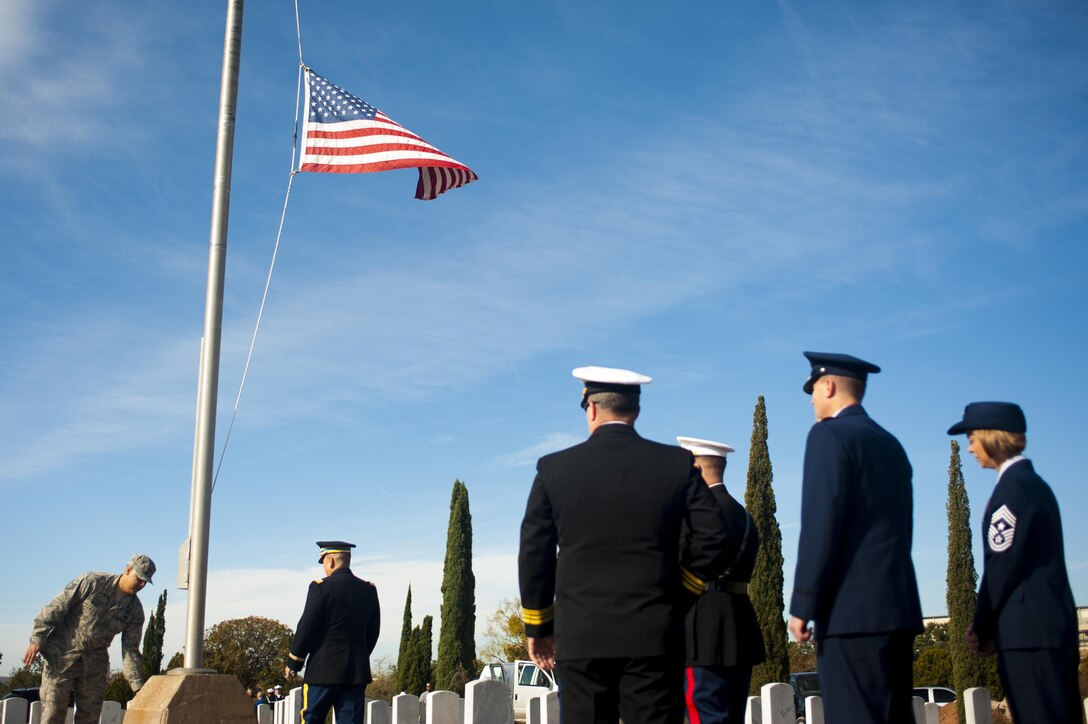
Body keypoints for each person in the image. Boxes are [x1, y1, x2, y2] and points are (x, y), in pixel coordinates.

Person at [518, 366, 732, 724]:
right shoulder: (676, 465)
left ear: (591, 408)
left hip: (582, 637)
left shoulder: (554, 469)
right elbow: (715, 536)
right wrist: (683, 591)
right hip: (654, 635)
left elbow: (534, 553)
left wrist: (539, 628)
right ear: (636, 410)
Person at [787, 352, 922, 724]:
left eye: (813, 389)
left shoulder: (828, 436)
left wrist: (803, 603)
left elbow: (821, 522)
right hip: (897, 609)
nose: (812, 399)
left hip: (851, 615)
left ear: (828, 385)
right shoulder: (891, 444)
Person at [947, 402, 1080, 723]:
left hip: (1028, 637)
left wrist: (980, 627)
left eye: (972, 437)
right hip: (1045, 632)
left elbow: (1001, 568)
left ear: (992, 437)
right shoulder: (1033, 486)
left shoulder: (1012, 491)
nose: (970, 447)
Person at [676, 436, 765, 724]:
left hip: (702, 629)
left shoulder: (695, 515)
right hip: (739, 625)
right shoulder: (744, 516)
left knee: (701, 714)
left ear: (696, 468)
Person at [23, 554, 155, 724]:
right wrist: (37, 638)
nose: (142, 584)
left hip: (94, 668)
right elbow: (57, 607)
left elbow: (130, 649)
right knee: (52, 715)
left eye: (146, 582)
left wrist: (137, 685)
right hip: (61, 658)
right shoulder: (92, 582)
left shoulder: (135, 612)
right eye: (139, 578)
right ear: (128, 570)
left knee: (89, 719)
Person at [284, 540, 380, 724]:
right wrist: (359, 655)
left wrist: (294, 661)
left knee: (312, 719)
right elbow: (373, 631)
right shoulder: (369, 590)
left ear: (330, 561)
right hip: (355, 672)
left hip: (323, 669)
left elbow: (307, 626)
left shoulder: (320, 587)